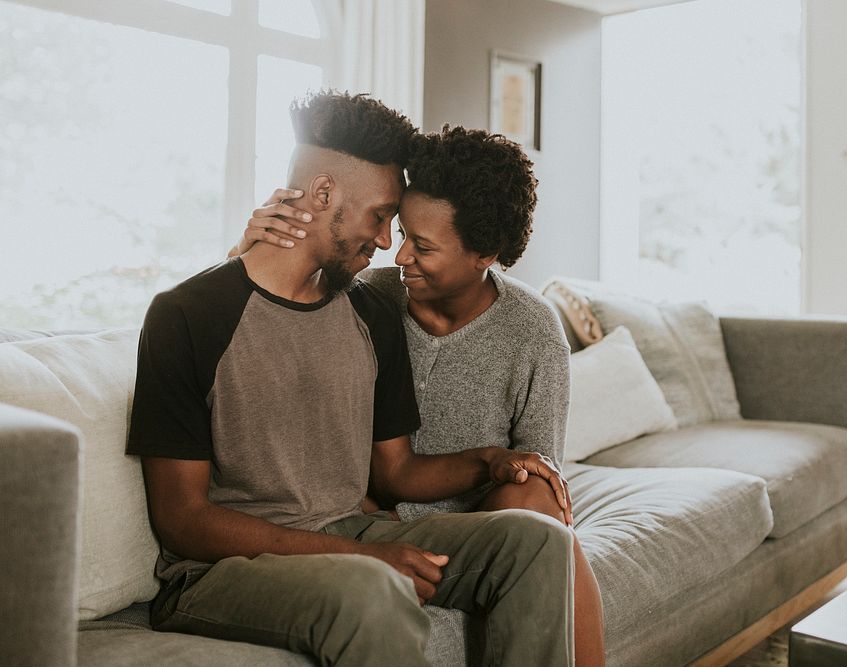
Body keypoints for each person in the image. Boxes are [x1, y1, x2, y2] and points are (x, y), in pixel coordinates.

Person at [127, 90, 576, 667]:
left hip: (351, 534)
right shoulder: (186, 315)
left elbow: (396, 470)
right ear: (322, 194)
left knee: (535, 542)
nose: (389, 242)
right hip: (222, 572)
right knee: (372, 589)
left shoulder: (371, 312)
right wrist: (350, 555)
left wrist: (490, 460)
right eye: (381, 216)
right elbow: (181, 520)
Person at [234, 125, 606, 666]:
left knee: (537, 500)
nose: (399, 254)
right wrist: (245, 249)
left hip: (474, 523)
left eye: (423, 245)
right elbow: (265, 317)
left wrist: (501, 483)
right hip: (366, 519)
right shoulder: (370, 298)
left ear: (485, 253)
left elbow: (538, 476)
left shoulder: (532, 330)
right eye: (402, 231)